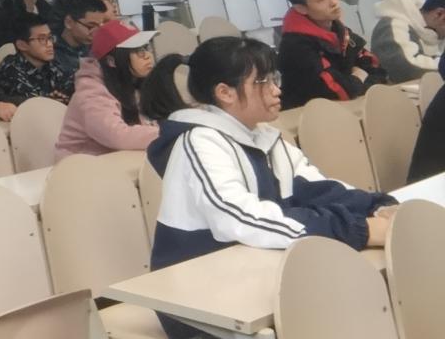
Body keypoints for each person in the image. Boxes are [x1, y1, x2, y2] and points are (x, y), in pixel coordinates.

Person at [139, 37, 397, 339]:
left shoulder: (263, 136)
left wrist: (377, 206)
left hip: (253, 276)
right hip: (200, 307)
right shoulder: (198, 143)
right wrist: (358, 230)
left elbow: (318, 187)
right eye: (263, 82)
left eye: (275, 78)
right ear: (225, 93)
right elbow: (242, 219)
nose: (277, 89)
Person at [278, 0, 387, 109]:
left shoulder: (339, 31)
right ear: (301, 8)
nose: (334, 2)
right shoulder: (296, 46)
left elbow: (376, 68)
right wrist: (359, 77)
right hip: (308, 115)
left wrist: (358, 83)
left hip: (350, 107)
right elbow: (338, 91)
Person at [55, 20, 160, 160]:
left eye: (146, 48)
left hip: (117, 162)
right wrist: (167, 133)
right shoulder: (91, 93)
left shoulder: (133, 82)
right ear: (111, 61)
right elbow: (118, 136)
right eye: (137, 51)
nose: (147, 55)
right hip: (80, 167)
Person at [370, 0, 445, 82]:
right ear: (439, 14)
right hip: (393, 89)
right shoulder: (393, 25)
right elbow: (408, 67)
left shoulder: (435, 29)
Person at [0, 14, 74, 104]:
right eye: (42, 39)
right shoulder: (11, 69)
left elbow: (69, 86)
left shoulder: (50, 63)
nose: (50, 44)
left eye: (50, 37)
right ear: (22, 45)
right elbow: (34, 103)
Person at [54, 0, 110, 81]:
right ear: (68, 22)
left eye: (99, 26)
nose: (95, 33)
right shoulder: (52, 55)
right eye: (90, 26)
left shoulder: (98, 49)